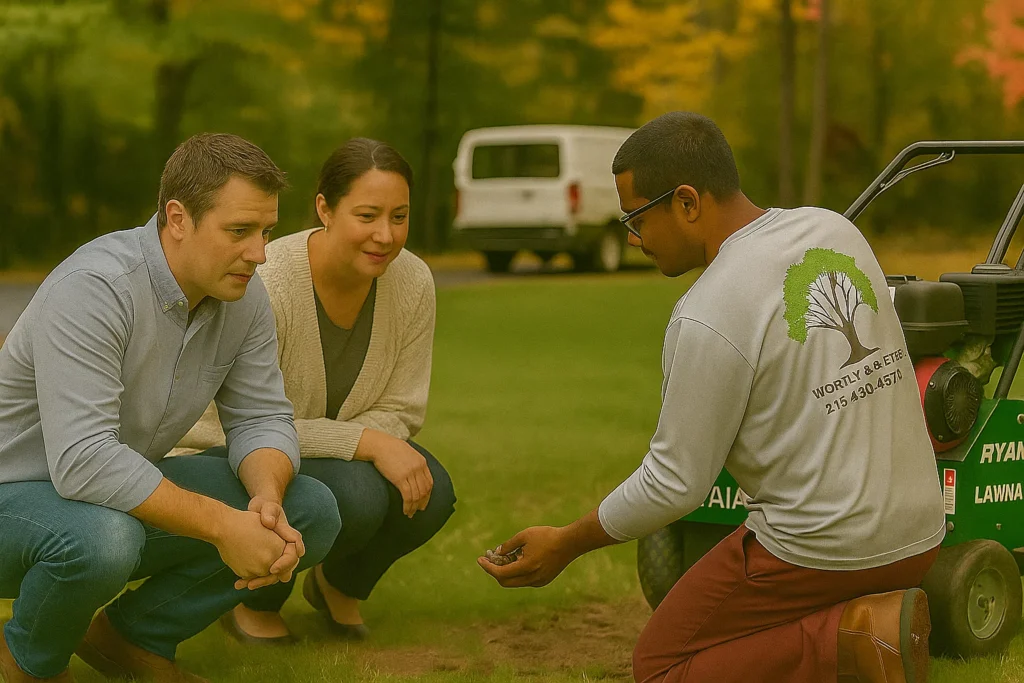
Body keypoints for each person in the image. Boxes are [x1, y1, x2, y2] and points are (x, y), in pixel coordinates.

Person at [477, 112, 945, 683]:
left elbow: (675, 483)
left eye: (636, 217)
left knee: (660, 666)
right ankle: (873, 616)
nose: (632, 237)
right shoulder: (834, 230)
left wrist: (567, 543)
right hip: (921, 537)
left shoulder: (709, 311)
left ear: (688, 202)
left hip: (823, 551)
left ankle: (853, 639)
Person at [0, 133, 342, 683]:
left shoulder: (243, 296)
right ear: (178, 219)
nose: (259, 252)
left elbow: (261, 418)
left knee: (309, 509)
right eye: (239, 231)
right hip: (12, 498)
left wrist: (264, 502)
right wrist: (224, 527)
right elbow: (84, 459)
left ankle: (129, 639)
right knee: (104, 540)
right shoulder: (95, 288)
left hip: (102, 498)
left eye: (266, 232)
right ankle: (25, 662)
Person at [178, 137, 455, 644]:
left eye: (400, 216)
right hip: (227, 453)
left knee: (431, 490)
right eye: (368, 215)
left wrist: (371, 442)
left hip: (315, 450)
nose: (385, 235)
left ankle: (338, 586)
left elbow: (402, 406)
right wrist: (366, 444)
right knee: (356, 493)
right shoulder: (268, 280)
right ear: (324, 208)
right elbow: (232, 424)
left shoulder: (412, 281)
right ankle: (254, 599)